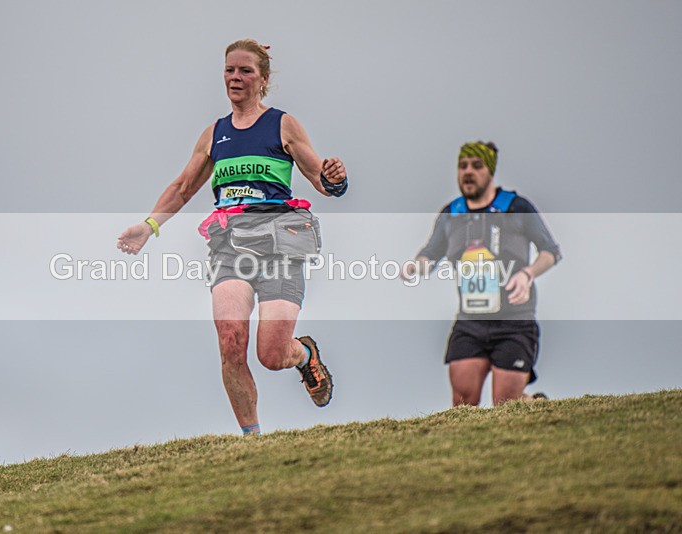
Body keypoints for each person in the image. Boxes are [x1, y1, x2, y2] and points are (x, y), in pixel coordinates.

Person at [116, 39, 348, 435]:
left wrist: (334, 179)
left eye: (245, 71)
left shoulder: (282, 124)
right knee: (229, 339)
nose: (235, 78)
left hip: (279, 241)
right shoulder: (214, 134)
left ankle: (305, 353)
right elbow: (183, 186)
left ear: (264, 80)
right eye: (229, 70)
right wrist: (149, 225)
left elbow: (319, 180)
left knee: (272, 354)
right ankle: (251, 440)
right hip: (230, 246)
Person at [402, 141, 560, 407]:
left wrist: (528, 273)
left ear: (490, 172)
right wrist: (415, 266)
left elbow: (550, 251)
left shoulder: (515, 207)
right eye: (462, 166)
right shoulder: (451, 214)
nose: (468, 172)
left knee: (506, 404)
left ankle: (532, 402)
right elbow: (431, 252)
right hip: (470, 322)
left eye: (477, 166)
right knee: (462, 404)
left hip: (514, 321)